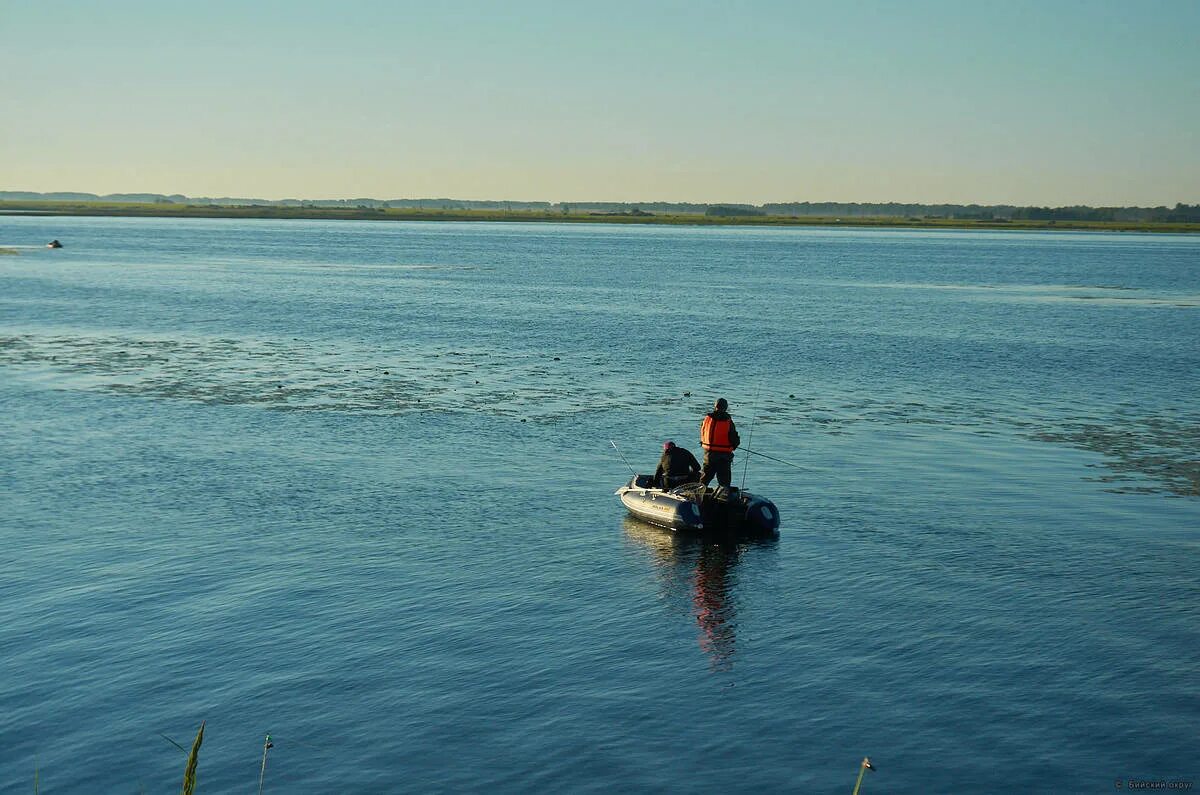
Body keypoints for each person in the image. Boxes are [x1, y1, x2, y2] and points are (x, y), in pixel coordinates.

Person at [699, 397, 740, 488]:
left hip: (709, 455)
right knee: (724, 481)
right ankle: (724, 498)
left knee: (704, 479)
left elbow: (702, 433)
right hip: (724, 456)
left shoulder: (707, 419)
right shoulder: (728, 421)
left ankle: (698, 496)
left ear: (715, 406)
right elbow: (734, 439)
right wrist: (734, 445)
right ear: (725, 408)